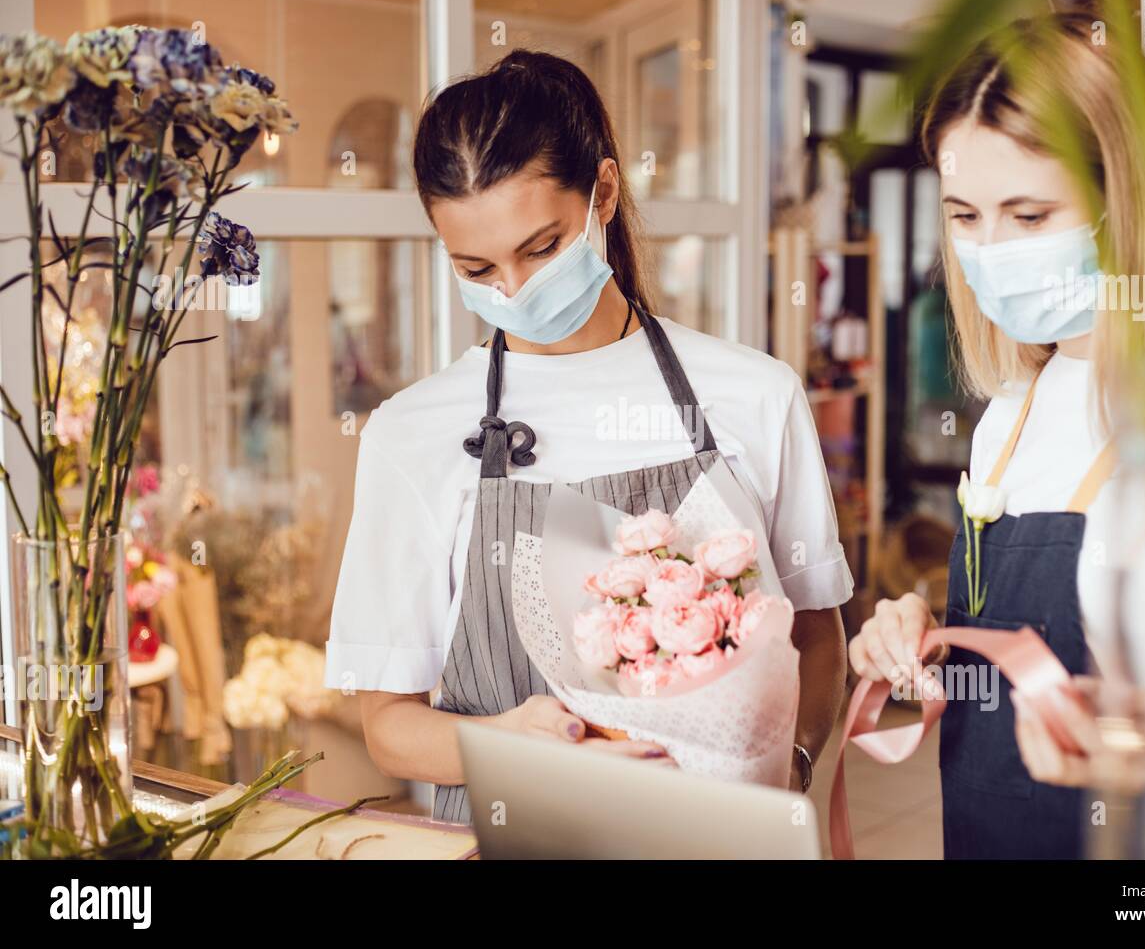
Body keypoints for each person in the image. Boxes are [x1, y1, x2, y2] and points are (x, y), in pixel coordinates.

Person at [325, 50, 853, 824]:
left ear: (603, 191)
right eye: (477, 267)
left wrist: (790, 770)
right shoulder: (412, 434)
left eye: (540, 249)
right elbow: (390, 728)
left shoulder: (754, 394)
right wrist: (512, 749)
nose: (514, 290)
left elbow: (816, 631)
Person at [848, 12, 1145, 858]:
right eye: (966, 215)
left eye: (1030, 214)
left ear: (1130, 200)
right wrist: (930, 635)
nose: (990, 250)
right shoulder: (1015, 412)